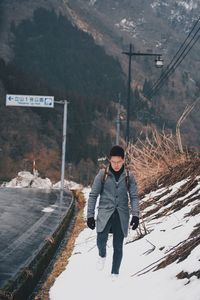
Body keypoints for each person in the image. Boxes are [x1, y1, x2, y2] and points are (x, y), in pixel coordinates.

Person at [87, 145, 140, 279]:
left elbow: (134, 196)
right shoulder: (102, 174)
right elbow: (93, 195)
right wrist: (90, 216)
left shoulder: (129, 176)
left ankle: (114, 273)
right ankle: (102, 255)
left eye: (119, 162)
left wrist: (136, 215)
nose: (116, 165)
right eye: (113, 162)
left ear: (123, 160)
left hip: (121, 215)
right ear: (110, 160)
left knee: (118, 246)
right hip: (105, 213)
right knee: (100, 240)